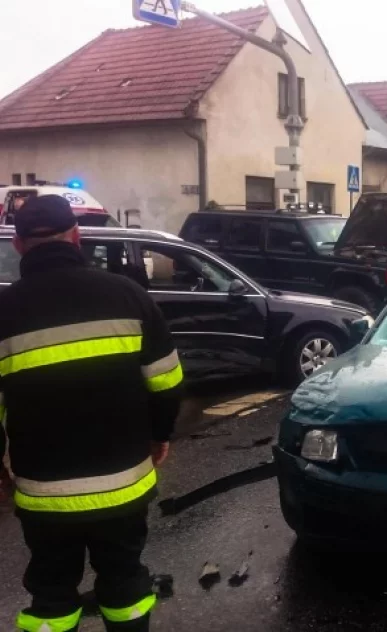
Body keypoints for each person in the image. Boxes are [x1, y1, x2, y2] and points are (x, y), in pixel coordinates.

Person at [0, 195, 183, 632]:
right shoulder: (128, 295)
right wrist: (160, 435)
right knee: (125, 584)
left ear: (20, 246)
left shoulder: (3, 313)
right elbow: (167, 382)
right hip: (123, 486)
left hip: (43, 493)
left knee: (52, 592)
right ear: (77, 237)